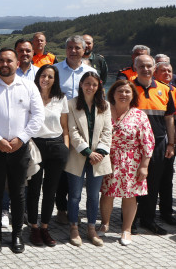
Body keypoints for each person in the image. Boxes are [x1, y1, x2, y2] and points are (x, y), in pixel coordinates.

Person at [0, 48, 44, 254]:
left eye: (9, 61)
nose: (5, 64)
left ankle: (16, 236)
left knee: (18, 193)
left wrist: (20, 138)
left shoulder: (28, 86)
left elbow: (37, 116)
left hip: (20, 148)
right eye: (1, 60)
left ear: (17, 63)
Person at [99, 80, 155, 246]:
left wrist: (144, 165)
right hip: (107, 158)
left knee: (129, 196)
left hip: (131, 161)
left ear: (133, 95)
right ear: (113, 93)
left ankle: (126, 229)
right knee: (107, 193)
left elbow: (148, 142)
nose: (123, 95)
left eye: (127, 92)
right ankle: (105, 223)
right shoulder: (104, 111)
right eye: (120, 91)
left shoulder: (139, 115)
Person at [128, 54, 175, 235]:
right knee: (132, 182)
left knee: (153, 183)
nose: (146, 69)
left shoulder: (165, 90)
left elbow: (169, 119)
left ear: (154, 68)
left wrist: (171, 143)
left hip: (159, 143)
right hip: (133, 144)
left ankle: (148, 220)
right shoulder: (129, 88)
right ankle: (130, 220)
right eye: (142, 66)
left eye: (149, 66)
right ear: (135, 67)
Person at [64, 71, 111, 247]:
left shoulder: (104, 106)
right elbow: (72, 131)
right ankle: (74, 227)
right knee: (75, 195)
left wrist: (99, 152)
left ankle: (91, 228)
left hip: (99, 157)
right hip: (78, 155)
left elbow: (108, 131)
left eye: (94, 84)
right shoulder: (71, 104)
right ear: (81, 84)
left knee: (92, 195)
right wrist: (87, 152)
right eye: (87, 83)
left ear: (98, 86)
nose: (90, 87)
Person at [26, 65, 69, 247]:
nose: (46, 79)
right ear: (37, 77)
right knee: (34, 189)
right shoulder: (30, 96)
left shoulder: (61, 98)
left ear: (55, 79)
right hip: (35, 146)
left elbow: (65, 127)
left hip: (56, 146)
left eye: (50, 76)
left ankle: (45, 226)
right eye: (43, 75)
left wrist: (65, 148)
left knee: (50, 190)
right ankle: (33, 227)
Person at [153, 62, 176, 224]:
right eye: (163, 71)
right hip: (160, 140)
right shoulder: (156, 91)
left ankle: (166, 211)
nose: (167, 73)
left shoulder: (173, 91)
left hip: (172, 140)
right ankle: (146, 212)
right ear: (155, 73)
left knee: (168, 177)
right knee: (155, 177)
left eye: (169, 71)